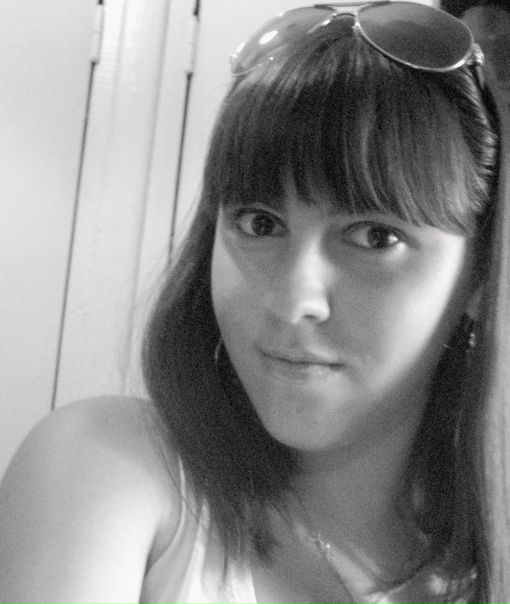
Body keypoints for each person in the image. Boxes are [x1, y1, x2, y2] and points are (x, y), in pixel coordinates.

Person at [1, 2, 509, 603]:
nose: (293, 300)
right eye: (260, 223)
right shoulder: (111, 467)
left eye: (376, 237)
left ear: (480, 277)